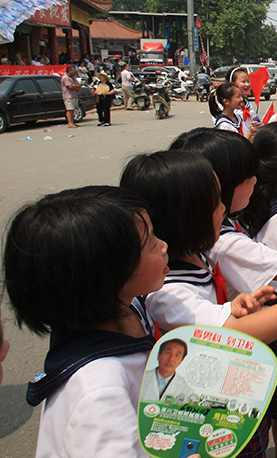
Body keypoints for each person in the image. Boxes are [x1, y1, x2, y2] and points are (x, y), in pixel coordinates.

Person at [122, 149, 277, 457]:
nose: (224, 208)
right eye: (215, 202)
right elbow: (233, 333)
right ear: (187, 216)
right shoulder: (168, 291)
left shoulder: (200, 259)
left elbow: (218, 316)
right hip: (207, 421)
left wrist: (236, 304)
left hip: (232, 399)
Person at [3, 187, 165, 457]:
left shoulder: (124, 309)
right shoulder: (101, 392)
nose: (163, 245)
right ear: (106, 276)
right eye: (150, 242)